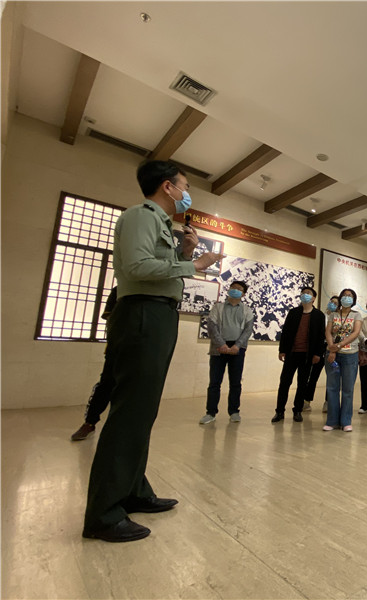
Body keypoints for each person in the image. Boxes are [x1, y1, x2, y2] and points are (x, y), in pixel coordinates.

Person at [83, 160, 222, 542]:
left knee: (142, 411)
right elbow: (138, 266)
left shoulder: (162, 224)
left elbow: (160, 267)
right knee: (129, 411)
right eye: (185, 186)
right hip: (142, 313)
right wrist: (195, 264)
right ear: (167, 186)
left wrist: (183, 252)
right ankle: (103, 514)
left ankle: (132, 491)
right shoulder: (140, 216)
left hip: (158, 313)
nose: (187, 193)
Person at [199, 280, 254, 424]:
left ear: (243, 294)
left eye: (239, 289)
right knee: (214, 382)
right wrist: (221, 344)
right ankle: (210, 412)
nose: (235, 290)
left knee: (235, 382)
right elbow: (212, 326)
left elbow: (248, 330)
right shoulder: (218, 307)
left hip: (237, 349)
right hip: (219, 348)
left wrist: (237, 345)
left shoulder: (247, 310)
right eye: (233, 287)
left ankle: (234, 411)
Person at [273, 287, 326, 422]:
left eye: (308, 293)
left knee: (302, 384)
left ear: (313, 298)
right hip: (291, 354)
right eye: (303, 293)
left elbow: (321, 336)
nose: (305, 295)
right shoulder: (293, 312)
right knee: (284, 382)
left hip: (307, 355)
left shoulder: (319, 315)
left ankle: (297, 410)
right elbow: (285, 332)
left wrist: (318, 354)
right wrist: (282, 350)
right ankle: (279, 411)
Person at [71, 287, 117, 441]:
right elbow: (110, 319)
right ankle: (89, 423)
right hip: (116, 347)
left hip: (139, 350)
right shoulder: (119, 290)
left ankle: (120, 429)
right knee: (105, 385)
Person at [324, 288, 363, 431]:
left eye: (350, 295)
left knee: (348, 389)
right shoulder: (333, 314)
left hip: (350, 354)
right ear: (340, 298)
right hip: (332, 354)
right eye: (344, 295)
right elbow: (328, 332)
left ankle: (346, 421)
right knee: (332, 388)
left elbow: (355, 333)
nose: (347, 297)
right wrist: (332, 348)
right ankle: (332, 421)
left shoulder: (356, 315)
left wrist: (339, 345)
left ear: (353, 299)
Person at [303, 295, 338, 412]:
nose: (332, 304)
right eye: (331, 302)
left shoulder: (337, 318)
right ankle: (306, 401)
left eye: (335, 303)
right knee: (313, 376)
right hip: (319, 349)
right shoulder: (321, 316)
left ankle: (328, 402)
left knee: (331, 377)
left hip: (331, 349)